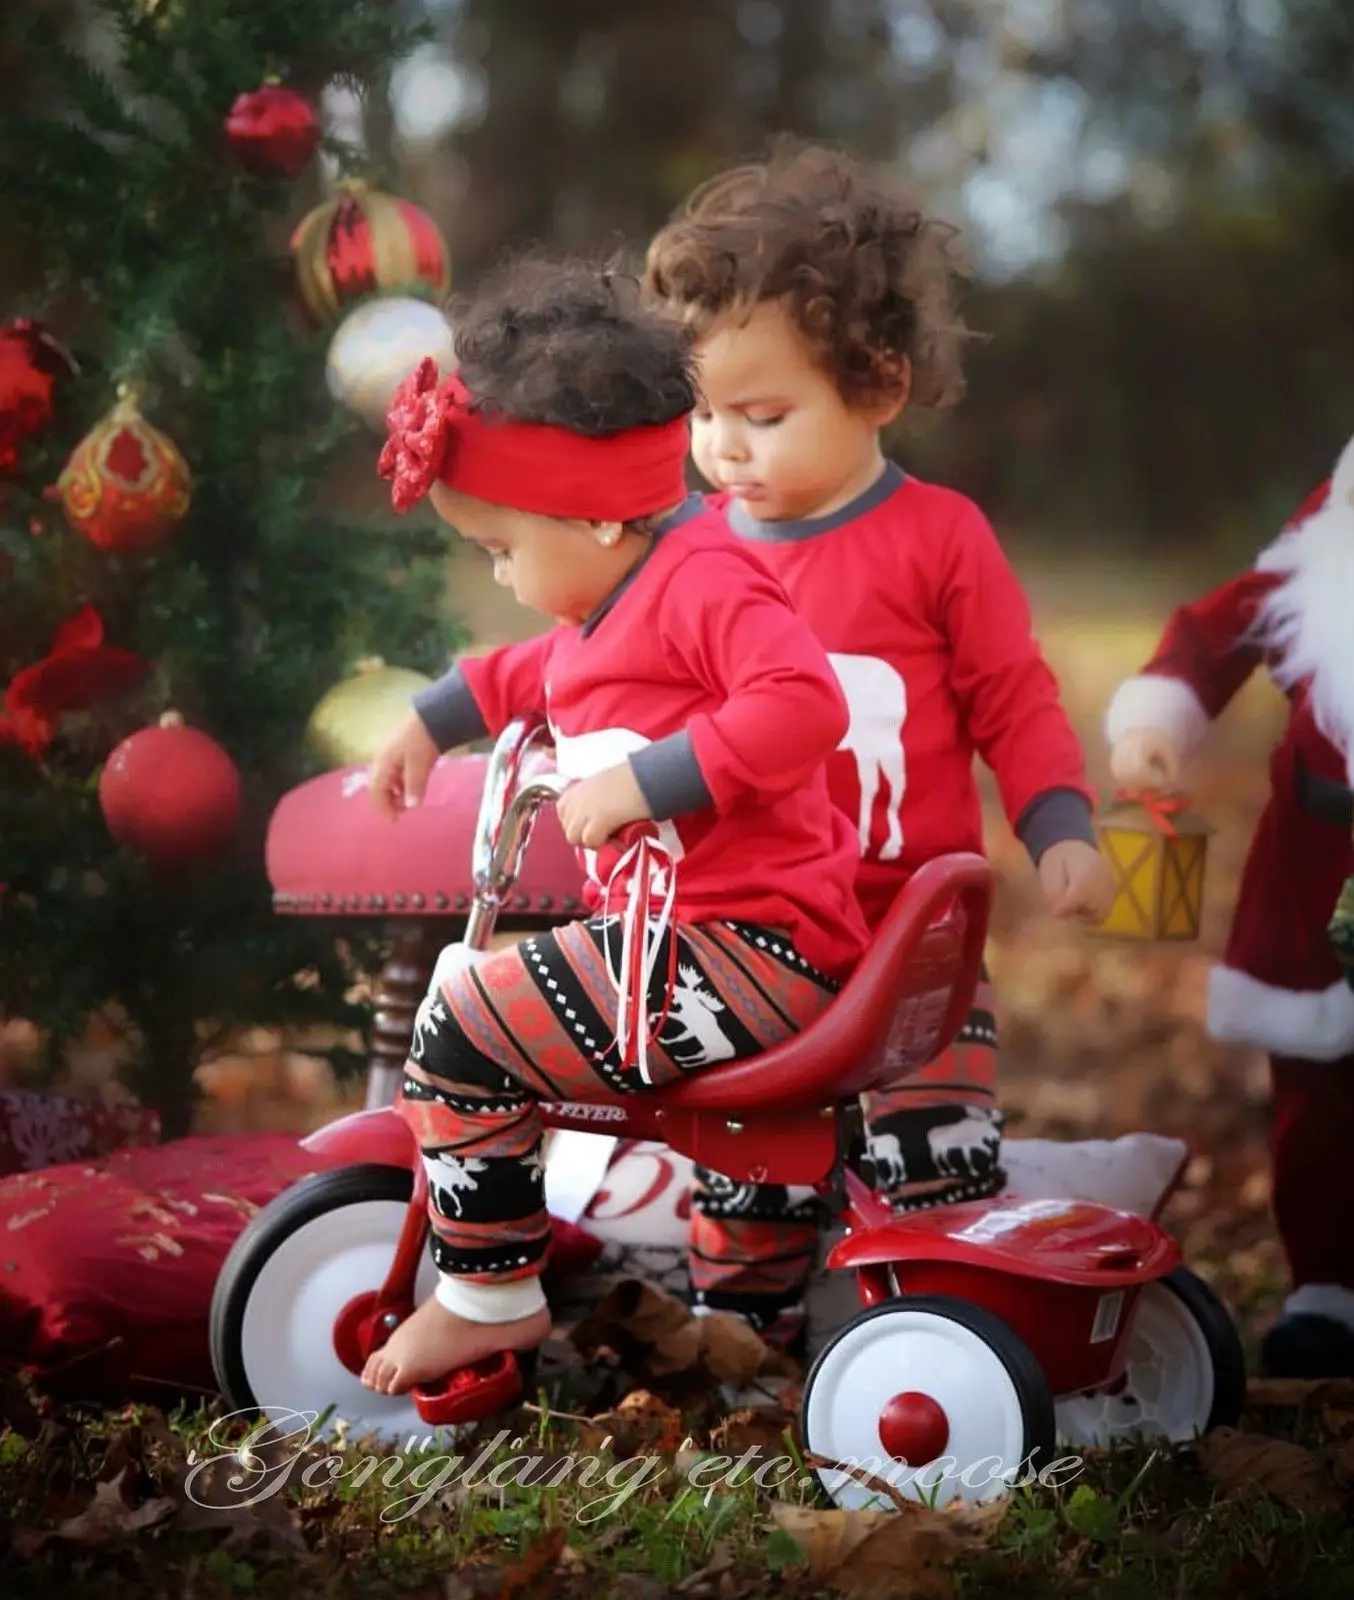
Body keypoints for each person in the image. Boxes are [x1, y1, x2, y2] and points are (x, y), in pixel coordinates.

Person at [630, 138, 1115, 1339]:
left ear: (880, 387)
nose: (722, 447)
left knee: (934, 1168)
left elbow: (1014, 695)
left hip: (914, 940)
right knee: (747, 1180)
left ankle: (941, 1342)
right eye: (700, 413)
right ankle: (741, 1340)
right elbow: (629, 687)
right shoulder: (691, 550)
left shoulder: (939, 538)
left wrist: (1059, 824)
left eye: (762, 413)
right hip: (751, 929)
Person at [360, 256, 872, 1395]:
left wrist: (649, 782)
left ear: (592, 514)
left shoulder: (706, 583)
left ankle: (485, 1293)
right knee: (746, 1168)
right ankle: (748, 1335)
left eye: (500, 547)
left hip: (744, 952)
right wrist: (430, 717)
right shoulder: (618, 595)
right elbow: (535, 668)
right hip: (727, 951)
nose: (496, 573)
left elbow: (802, 703)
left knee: (467, 1014)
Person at [1107, 430, 1354, 1379]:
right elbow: (1215, 632)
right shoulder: (1312, 569)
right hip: (1314, 864)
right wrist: (1161, 717)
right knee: (1316, 1089)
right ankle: (1328, 1286)